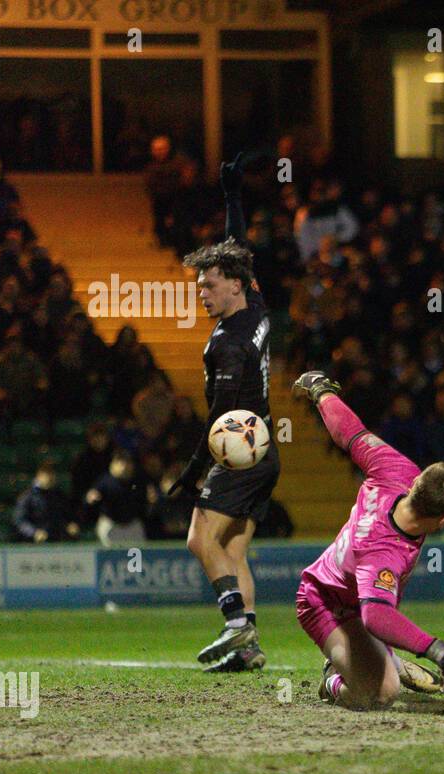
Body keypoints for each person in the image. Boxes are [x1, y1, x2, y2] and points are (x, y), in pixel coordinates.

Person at [291, 371, 444, 709]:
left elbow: (350, 432)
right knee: (380, 696)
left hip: (356, 598)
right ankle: (333, 679)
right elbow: (375, 616)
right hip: (324, 604)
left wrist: (321, 392)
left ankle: (381, 659)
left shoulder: (396, 470)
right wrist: (442, 654)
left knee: (381, 658)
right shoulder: (384, 552)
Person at [167, 152, 280, 673]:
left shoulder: (228, 347)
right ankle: (250, 649)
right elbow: (237, 251)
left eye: (209, 286)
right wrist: (233, 197)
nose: (203, 294)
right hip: (265, 452)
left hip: (238, 452)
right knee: (233, 553)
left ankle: (236, 624)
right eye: (199, 287)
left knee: (199, 538)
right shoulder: (253, 304)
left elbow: (218, 420)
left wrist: (191, 474)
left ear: (232, 286)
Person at [13, 461, 79, 543]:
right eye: (47, 475)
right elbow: (20, 520)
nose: (50, 478)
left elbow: (65, 515)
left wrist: (69, 525)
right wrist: (34, 532)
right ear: (39, 476)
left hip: (57, 542)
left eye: (51, 474)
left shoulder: (59, 495)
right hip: (34, 544)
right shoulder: (28, 496)